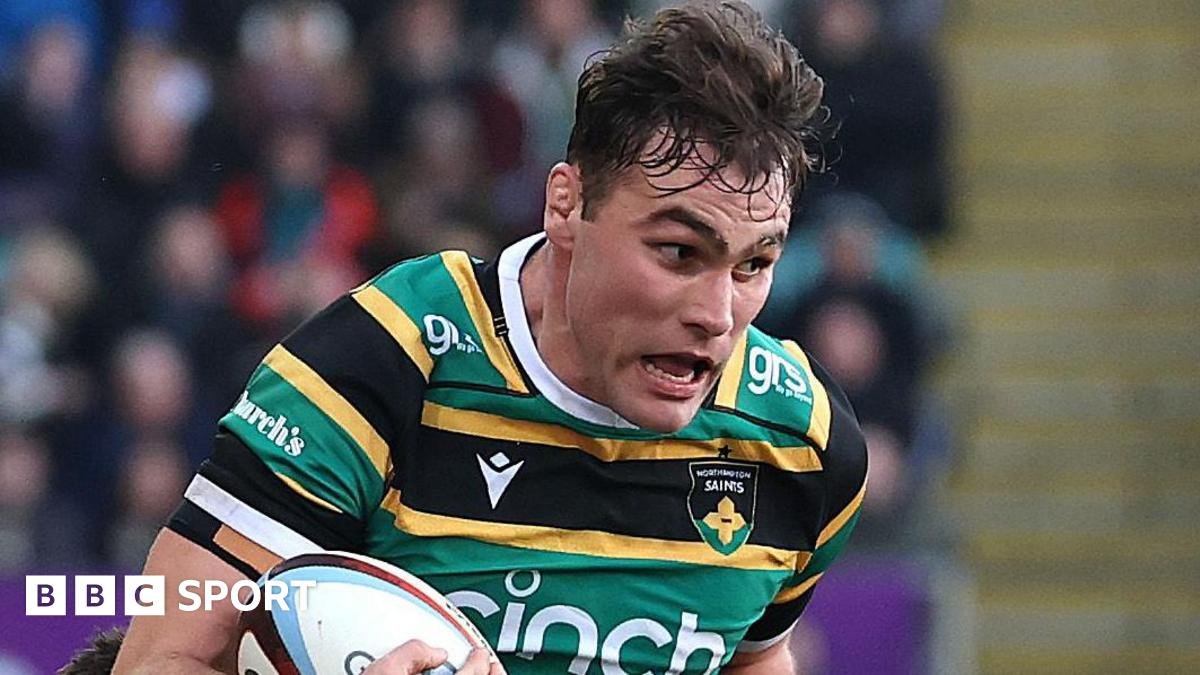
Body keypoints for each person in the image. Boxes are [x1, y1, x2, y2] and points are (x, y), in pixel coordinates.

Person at [112, 2, 867, 673]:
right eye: (678, 251)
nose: (718, 313)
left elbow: (754, 657)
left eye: (754, 264)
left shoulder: (801, 443)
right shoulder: (379, 365)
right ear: (566, 206)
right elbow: (159, 660)